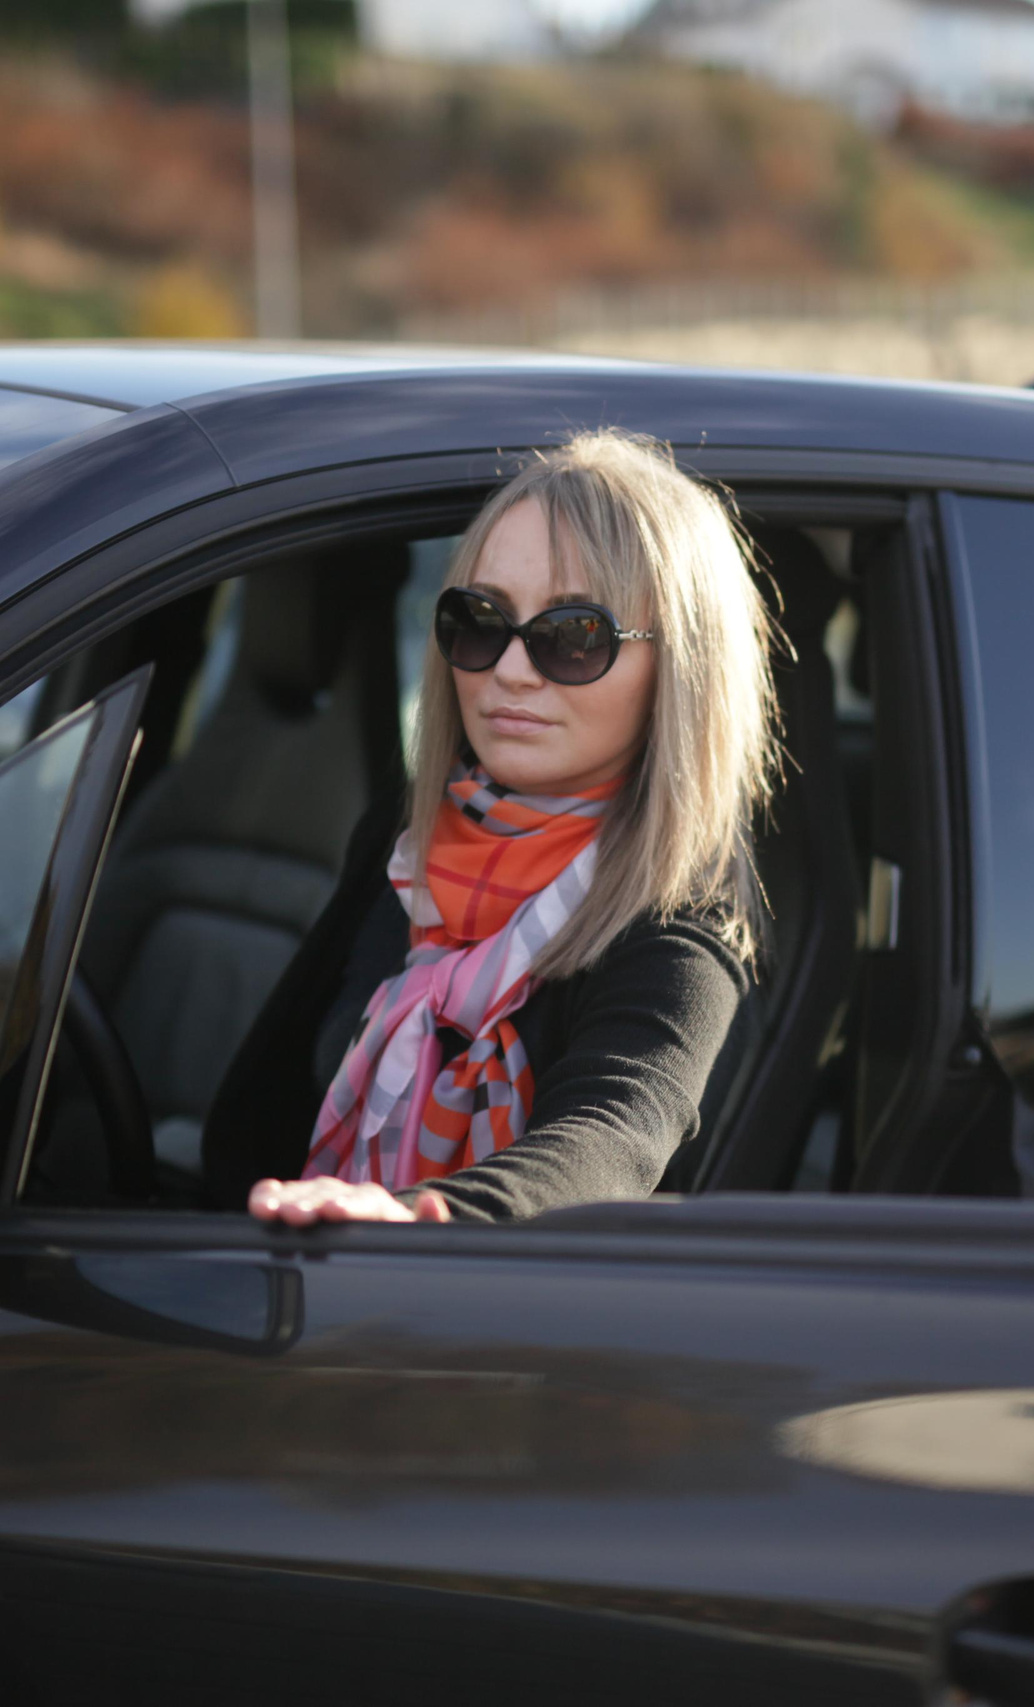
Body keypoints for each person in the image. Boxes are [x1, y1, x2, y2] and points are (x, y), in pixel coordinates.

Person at [245, 429, 776, 1225]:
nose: (509, 670)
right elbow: (255, 1114)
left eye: (573, 636)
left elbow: (610, 1137)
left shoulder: (684, 923)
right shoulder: (405, 845)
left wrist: (428, 1215)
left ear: (681, 670)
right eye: (482, 620)